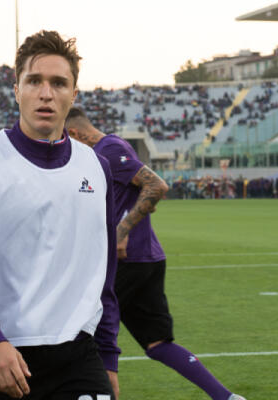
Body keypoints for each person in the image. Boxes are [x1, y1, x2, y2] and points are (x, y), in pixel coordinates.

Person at [0, 30, 120, 400]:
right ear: (17, 90)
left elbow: (105, 272)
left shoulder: (97, 167)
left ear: (74, 94)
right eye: (34, 81)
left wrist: (108, 357)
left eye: (58, 83)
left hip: (78, 360)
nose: (46, 93)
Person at [65, 107, 246, 400]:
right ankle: (226, 397)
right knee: (157, 344)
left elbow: (156, 185)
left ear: (75, 133)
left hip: (127, 260)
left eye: (64, 139)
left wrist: (121, 230)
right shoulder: (101, 154)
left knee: (86, 336)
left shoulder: (108, 150)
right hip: (146, 259)